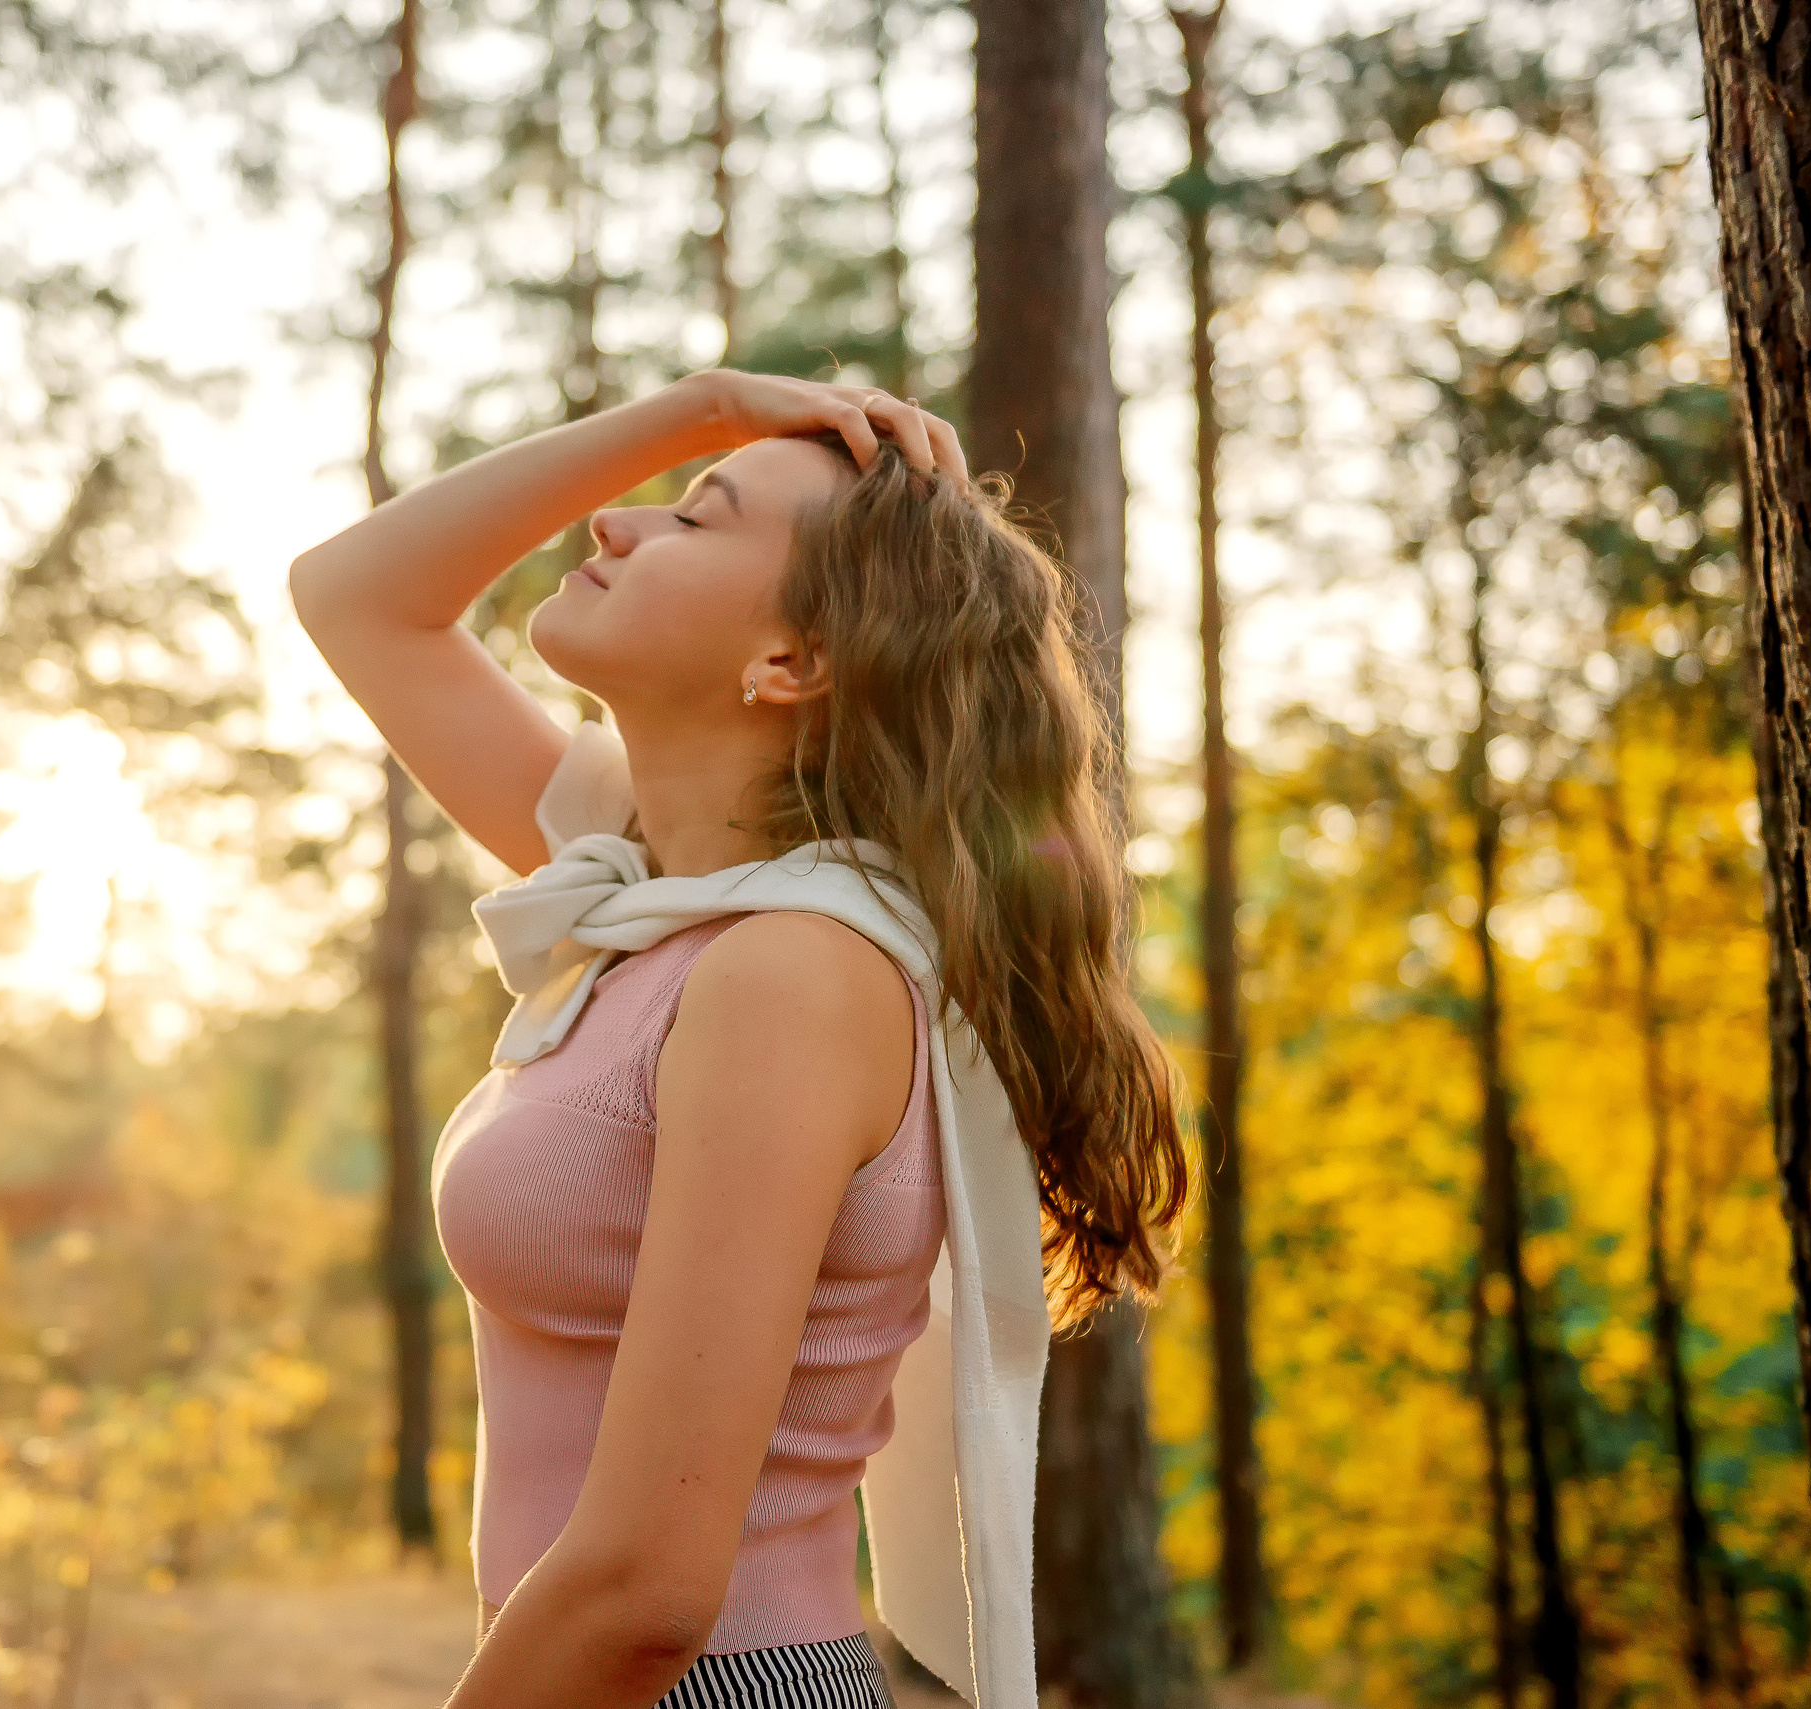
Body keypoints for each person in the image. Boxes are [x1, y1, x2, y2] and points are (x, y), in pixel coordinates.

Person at [289, 368, 1189, 1709]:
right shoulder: (662, 891)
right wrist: (700, 411)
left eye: (696, 519)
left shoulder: (792, 975)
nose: (615, 526)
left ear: (789, 662)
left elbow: (650, 1588)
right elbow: (355, 594)